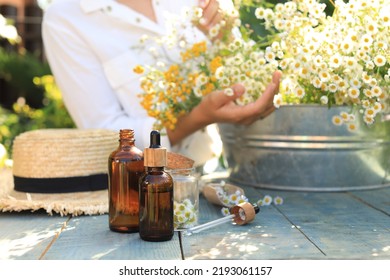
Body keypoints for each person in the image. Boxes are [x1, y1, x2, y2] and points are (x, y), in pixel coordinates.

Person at [42, 0, 281, 167]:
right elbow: (104, 134)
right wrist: (196, 118)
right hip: (139, 190)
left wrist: (225, 37)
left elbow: (246, 81)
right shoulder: (65, 18)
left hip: (221, 174)